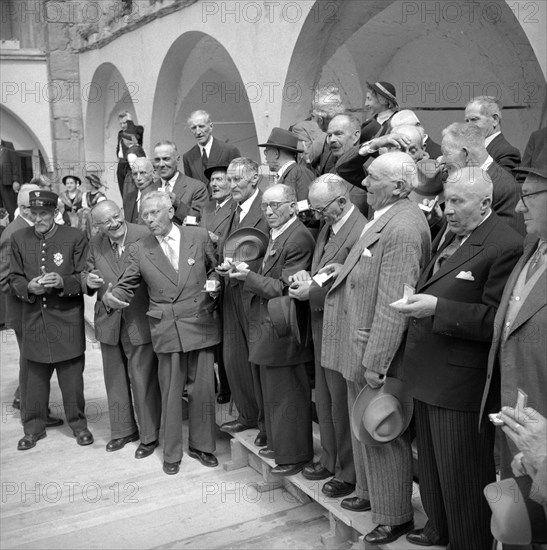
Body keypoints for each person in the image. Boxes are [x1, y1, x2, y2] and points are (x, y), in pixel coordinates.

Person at [395, 167, 523, 549]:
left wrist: (438, 307)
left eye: (457, 202)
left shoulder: (504, 244)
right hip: (429, 370)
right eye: (446, 200)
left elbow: (495, 320)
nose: (447, 209)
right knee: (433, 469)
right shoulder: (451, 229)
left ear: (485, 203)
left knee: (463, 475)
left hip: (461, 382)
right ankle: (440, 527)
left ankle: (468, 540)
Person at [319, 152, 431, 544]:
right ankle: (369, 495)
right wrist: (340, 270)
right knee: (363, 428)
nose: (364, 184)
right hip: (359, 345)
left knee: (383, 432)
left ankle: (395, 515)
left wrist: (377, 362)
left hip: (377, 352)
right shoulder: (387, 216)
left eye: (373, 178)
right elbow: (368, 269)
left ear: (399, 186)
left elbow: (393, 305)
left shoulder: (402, 227)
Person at [102, 191, 220, 475]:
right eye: (144, 215)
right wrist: (111, 297)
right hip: (166, 326)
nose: (149, 220)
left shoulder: (199, 236)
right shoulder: (140, 248)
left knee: (203, 390)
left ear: (170, 210)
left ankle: (202, 446)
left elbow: (215, 270)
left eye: (154, 213)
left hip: (199, 320)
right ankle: (171, 453)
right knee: (169, 392)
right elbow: (126, 283)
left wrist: (215, 287)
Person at [480, 141, 547, 545]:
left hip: (540, 446)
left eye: (528, 197)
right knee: (515, 534)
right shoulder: (531, 248)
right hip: (512, 432)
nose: (519, 209)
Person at [289, 174, 367, 497]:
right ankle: (331, 458)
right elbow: (325, 268)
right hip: (323, 323)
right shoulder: (328, 225)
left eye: (323, 210)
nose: (318, 216)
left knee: (340, 402)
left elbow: (354, 283)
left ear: (341, 201)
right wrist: (307, 276)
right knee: (325, 399)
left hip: (341, 323)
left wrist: (313, 292)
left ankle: (348, 472)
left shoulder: (359, 230)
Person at [229, 184, 315, 476]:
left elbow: (285, 287)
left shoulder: (299, 237)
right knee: (274, 392)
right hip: (267, 325)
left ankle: (295, 455)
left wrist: (248, 277)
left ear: (293, 205)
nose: (268, 211)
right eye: (265, 206)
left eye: (276, 205)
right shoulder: (277, 234)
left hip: (283, 325)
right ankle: (280, 445)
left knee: (288, 392)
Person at [9, 190, 93, 450]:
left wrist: (63, 282)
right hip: (33, 319)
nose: (38, 218)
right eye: (33, 213)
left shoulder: (75, 237)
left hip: (66, 320)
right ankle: (33, 428)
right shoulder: (18, 238)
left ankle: (78, 425)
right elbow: (13, 278)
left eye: (43, 213)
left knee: (72, 381)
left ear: (55, 212)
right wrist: (28, 287)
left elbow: (85, 276)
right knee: (33, 380)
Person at [84, 201, 161, 457]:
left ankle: (149, 436)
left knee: (142, 380)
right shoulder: (95, 242)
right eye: (106, 222)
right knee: (114, 380)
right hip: (108, 321)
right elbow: (85, 272)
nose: (114, 224)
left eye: (116, 217)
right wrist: (89, 280)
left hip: (138, 318)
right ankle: (123, 431)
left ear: (122, 213)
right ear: (98, 225)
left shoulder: (144, 235)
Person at [216, 158, 269, 444]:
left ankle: (264, 423)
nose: (231, 185)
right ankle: (247, 414)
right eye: (229, 179)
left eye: (238, 180)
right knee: (233, 357)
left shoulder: (266, 208)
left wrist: (247, 272)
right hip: (230, 291)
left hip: (254, 294)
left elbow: (275, 253)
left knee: (255, 359)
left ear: (254, 181)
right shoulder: (231, 211)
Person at [440, 122, 525, 234]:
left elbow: (508, 244)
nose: (442, 161)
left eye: (446, 153)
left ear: (465, 154)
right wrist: (437, 220)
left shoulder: (505, 188)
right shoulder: (462, 181)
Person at [199, 164, 234, 404]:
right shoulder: (206, 208)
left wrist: (215, 239)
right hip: (205, 273)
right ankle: (211, 382)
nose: (215, 184)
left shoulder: (235, 207)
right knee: (210, 330)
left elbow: (238, 239)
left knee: (226, 334)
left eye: (220, 179)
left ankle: (227, 386)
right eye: (212, 180)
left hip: (226, 272)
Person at [153, 140, 209, 224]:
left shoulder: (197, 188)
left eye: (166, 159)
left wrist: (178, 204)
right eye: (157, 160)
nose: (161, 164)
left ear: (177, 160)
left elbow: (200, 220)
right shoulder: (149, 189)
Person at [464, 96, 521, 176]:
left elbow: (502, 185)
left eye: (474, 119)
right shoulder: (468, 151)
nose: (468, 126)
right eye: (467, 121)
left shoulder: (507, 152)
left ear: (495, 120)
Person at [325, 113, 368, 215]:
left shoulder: (369, 171)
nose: (332, 140)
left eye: (338, 134)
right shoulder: (331, 173)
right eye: (329, 135)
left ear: (355, 136)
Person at [182, 110, 241, 185]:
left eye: (201, 126)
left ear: (211, 126)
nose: (198, 132)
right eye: (194, 128)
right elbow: (190, 187)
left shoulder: (229, 150)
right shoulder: (188, 157)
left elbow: (239, 181)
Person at [259, 127, 315, 202]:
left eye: (266, 152)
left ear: (276, 153)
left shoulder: (300, 172)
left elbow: (305, 208)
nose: (265, 158)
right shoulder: (294, 172)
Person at [123, 157, 160, 224]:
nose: (138, 178)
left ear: (153, 174)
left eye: (142, 173)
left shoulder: (160, 195)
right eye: (135, 174)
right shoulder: (129, 197)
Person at [116, 111, 144, 195]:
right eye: (121, 123)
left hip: (131, 164)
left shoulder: (138, 130)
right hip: (121, 164)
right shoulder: (120, 133)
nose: (122, 125)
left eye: (125, 123)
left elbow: (139, 132)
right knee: (123, 192)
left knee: (131, 191)